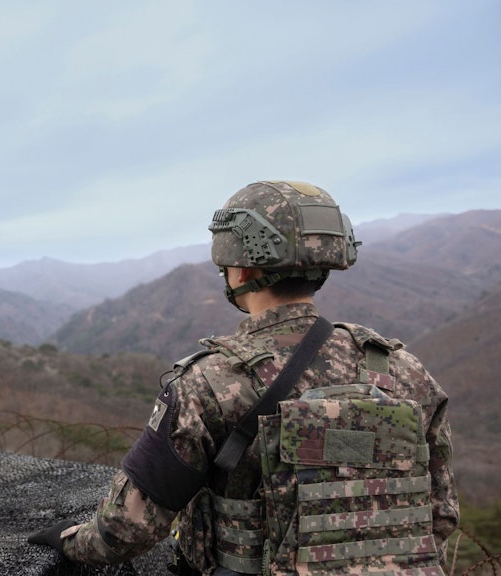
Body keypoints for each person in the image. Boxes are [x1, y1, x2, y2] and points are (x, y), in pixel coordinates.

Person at [28, 181, 460, 575]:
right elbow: (438, 515)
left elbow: (129, 528)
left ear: (241, 270)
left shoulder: (211, 381)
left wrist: (69, 542)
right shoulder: (403, 369)